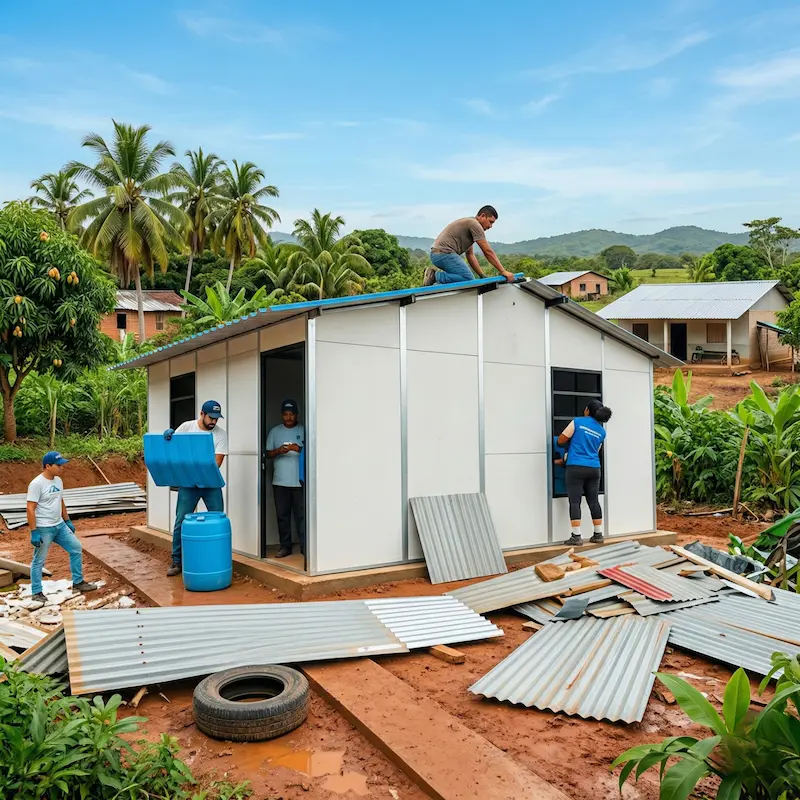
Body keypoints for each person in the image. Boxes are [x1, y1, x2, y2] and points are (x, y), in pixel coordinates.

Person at [166, 400, 228, 577]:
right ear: (202, 414)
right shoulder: (187, 427)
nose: (214, 422)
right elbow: (173, 450)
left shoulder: (220, 434)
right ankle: (177, 561)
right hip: (189, 483)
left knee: (218, 520)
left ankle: (218, 558)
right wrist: (169, 438)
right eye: (211, 418)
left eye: (217, 419)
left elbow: (217, 462)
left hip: (210, 483)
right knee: (181, 521)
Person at [27, 451, 97, 605]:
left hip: (59, 525)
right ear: (47, 466)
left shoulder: (58, 480)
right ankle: (36, 591)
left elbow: (60, 500)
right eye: (58, 465)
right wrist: (34, 531)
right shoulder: (36, 484)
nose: (61, 468)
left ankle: (78, 582)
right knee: (39, 560)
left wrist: (67, 520)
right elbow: (30, 508)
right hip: (44, 528)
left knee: (76, 547)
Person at [557, 399, 613, 546]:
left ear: (587, 410)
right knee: (593, 501)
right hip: (594, 469)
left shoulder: (577, 422)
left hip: (576, 467)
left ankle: (576, 536)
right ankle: (598, 534)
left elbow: (561, 440)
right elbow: (596, 450)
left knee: (575, 501)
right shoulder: (602, 431)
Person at [424, 206, 515, 286]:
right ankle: (435, 276)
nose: (490, 226)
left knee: (463, 278)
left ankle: (436, 283)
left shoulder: (470, 225)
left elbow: (470, 255)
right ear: (482, 216)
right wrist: (503, 271)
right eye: (490, 222)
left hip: (438, 255)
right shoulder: (475, 224)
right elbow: (487, 251)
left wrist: (482, 275)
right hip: (444, 254)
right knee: (468, 279)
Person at [266, 399, 305, 558]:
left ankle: (305, 547)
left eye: (291, 414)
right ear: (282, 415)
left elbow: (316, 450)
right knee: (282, 516)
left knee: (301, 516)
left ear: (296, 415)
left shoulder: (304, 430)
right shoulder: (275, 432)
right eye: (286, 414)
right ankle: (285, 546)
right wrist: (279, 451)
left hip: (300, 481)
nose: (289, 417)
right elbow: (267, 454)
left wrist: (299, 448)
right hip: (280, 481)